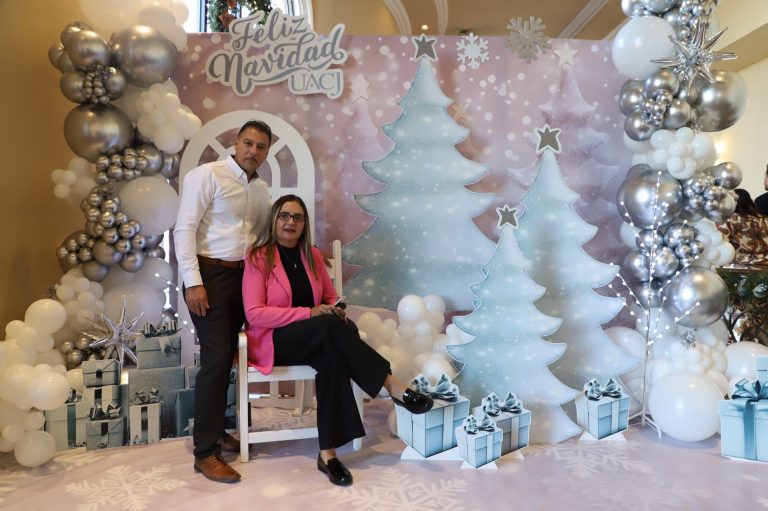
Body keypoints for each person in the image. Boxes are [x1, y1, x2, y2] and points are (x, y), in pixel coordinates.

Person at [242, 194, 434, 487]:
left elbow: (330, 297)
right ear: (274, 221)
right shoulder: (259, 257)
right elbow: (255, 314)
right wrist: (309, 312)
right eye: (284, 216)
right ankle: (391, 384)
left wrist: (336, 307)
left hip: (316, 338)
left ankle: (328, 454)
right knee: (331, 328)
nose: (290, 222)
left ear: (304, 224)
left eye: (297, 217)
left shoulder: (312, 256)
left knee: (332, 356)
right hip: (275, 341)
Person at [174, 120, 273, 484]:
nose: (253, 151)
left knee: (229, 357)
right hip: (209, 277)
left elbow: (261, 238)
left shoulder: (260, 189)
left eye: (261, 147)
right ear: (236, 142)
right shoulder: (207, 175)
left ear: (266, 152)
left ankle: (216, 431)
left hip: (243, 279)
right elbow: (184, 229)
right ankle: (205, 453)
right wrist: (193, 283)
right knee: (216, 361)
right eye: (248, 143)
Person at [719, 188, 768, 269]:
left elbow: (723, 245)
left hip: (739, 266)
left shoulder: (729, 220)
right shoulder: (764, 219)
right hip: (764, 266)